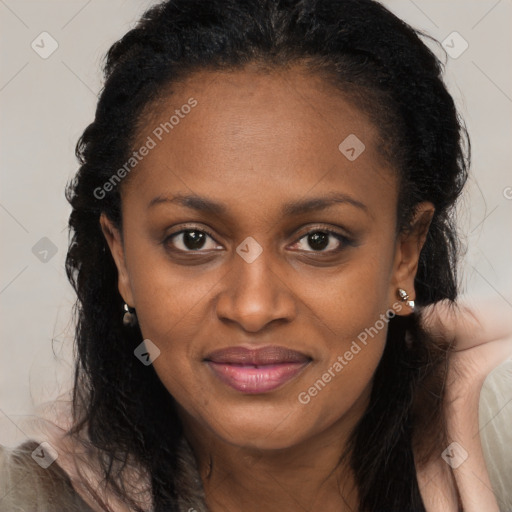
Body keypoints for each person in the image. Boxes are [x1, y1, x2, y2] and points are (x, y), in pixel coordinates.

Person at [1, 0, 511, 511]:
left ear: (406, 253)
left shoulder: (497, 430)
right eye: (193, 239)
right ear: (123, 259)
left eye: (318, 240)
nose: (253, 307)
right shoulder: (29, 497)